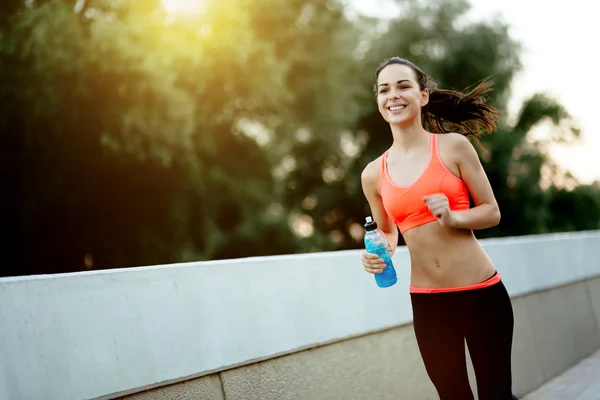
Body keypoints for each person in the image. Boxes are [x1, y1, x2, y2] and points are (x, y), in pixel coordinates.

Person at [360, 56, 519, 400]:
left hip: (482, 295)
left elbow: (492, 212)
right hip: (429, 304)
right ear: (378, 101)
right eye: (384, 90)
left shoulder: (453, 147)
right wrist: (380, 250)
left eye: (403, 86)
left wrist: (454, 217)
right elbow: (386, 230)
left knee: (497, 395)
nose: (393, 95)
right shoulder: (373, 173)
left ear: (423, 95)